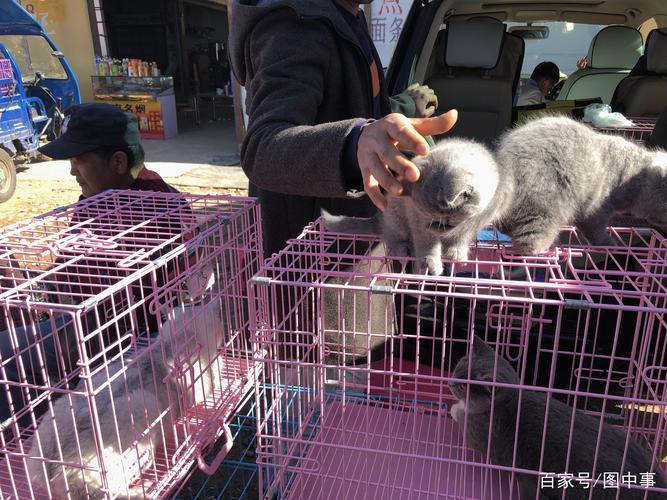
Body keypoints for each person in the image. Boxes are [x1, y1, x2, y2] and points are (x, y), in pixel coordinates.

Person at [0, 103, 185, 430]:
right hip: (87, 327)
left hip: (135, 345)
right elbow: (67, 270)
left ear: (117, 161)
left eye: (78, 160)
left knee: (11, 355)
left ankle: (40, 440)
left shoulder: (162, 205)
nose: (72, 172)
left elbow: (155, 291)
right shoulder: (96, 195)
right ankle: (35, 437)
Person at [229, 0, 457, 258]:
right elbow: (262, 148)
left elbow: (346, 104)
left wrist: (399, 108)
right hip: (310, 268)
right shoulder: (294, 26)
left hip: (353, 246)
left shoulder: (346, 16)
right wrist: (354, 142)